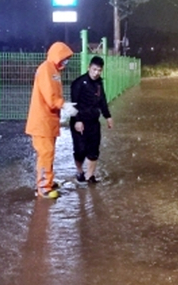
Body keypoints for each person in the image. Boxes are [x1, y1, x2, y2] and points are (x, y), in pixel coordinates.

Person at [26, 42, 78, 199]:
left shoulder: (51, 69)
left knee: (47, 154)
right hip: (42, 122)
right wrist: (64, 105)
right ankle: (43, 187)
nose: (66, 61)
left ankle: (47, 182)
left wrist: (63, 104)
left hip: (46, 121)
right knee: (45, 155)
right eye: (65, 58)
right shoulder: (48, 70)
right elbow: (51, 97)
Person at [70, 56, 113, 185]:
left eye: (99, 70)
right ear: (89, 67)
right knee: (80, 150)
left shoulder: (99, 83)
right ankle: (79, 171)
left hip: (94, 122)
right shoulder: (78, 83)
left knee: (94, 150)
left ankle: (90, 177)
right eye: (94, 69)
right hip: (80, 122)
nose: (96, 73)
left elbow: (102, 101)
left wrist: (108, 116)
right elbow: (74, 104)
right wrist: (77, 120)